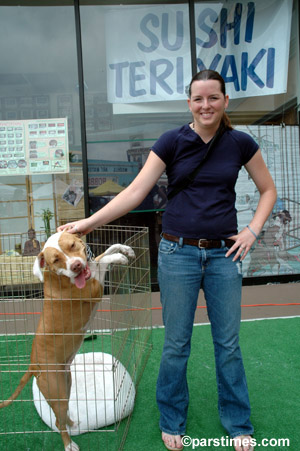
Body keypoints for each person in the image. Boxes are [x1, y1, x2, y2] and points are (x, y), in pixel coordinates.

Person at [58, 70, 277, 451]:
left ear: (225, 101)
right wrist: (90, 222)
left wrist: (252, 231)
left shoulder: (240, 143)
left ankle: (238, 422)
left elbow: (268, 189)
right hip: (178, 254)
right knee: (177, 343)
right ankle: (171, 417)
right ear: (189, 103)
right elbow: (136, 191)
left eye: (213, 98)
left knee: (228, 344)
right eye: (198, 99)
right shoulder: (172, 141)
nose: (205, 105)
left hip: (225, 256)